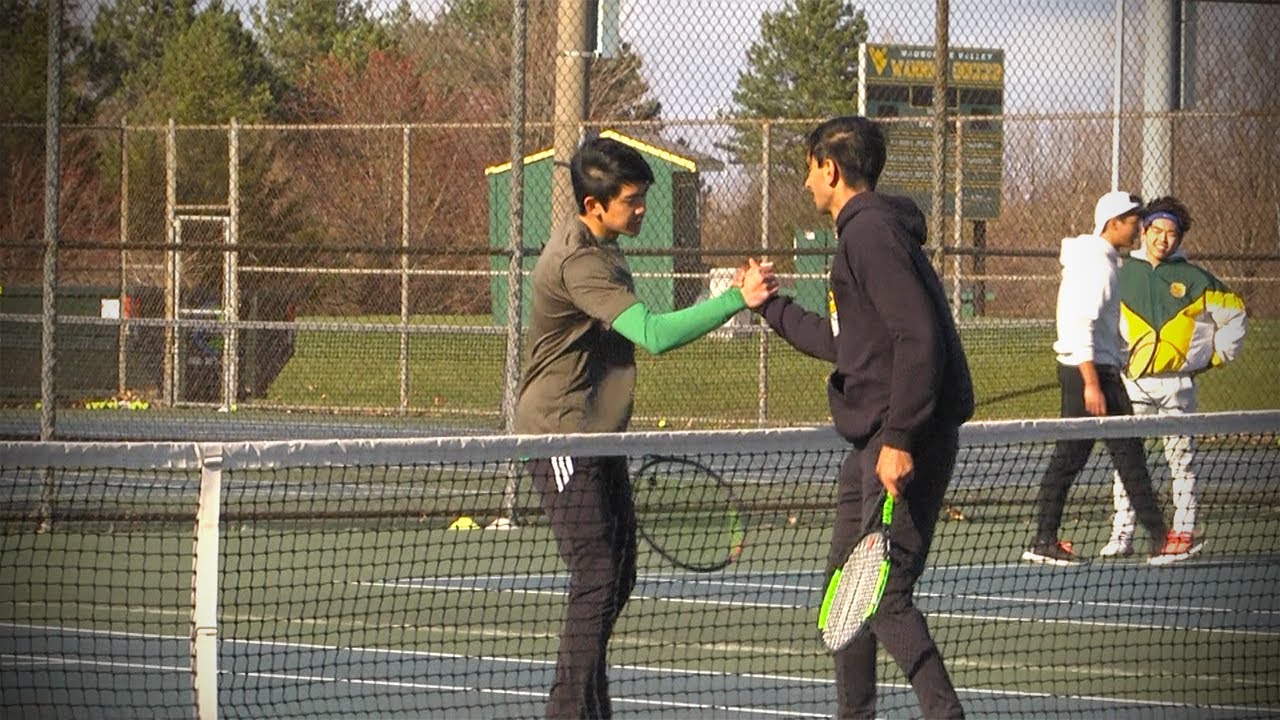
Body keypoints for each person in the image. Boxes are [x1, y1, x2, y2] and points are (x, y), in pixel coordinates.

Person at [513, 135, 777, 719]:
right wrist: (737, 298)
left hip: (600, 432)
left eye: (642, 197)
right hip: (559, 432)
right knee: (598, 572)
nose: (641, 209)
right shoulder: (580, 261)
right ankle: (567, 713)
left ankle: (589, 709)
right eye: (631, 200)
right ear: (592, 206)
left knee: (619, 572)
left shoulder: (605, 245)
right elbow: (654, 334)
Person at [754, 116, 971, 719]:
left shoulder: (870, 234)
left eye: (808, 169)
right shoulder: (864, 234)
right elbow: (847, 343)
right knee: (844, 600)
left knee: (885, 599)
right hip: (871, 444)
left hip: (897, 440)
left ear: (831, 168)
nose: (804, 184)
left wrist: (899, 438)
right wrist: (769, 306)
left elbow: (920, 337)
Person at [1022, 191, 1173, 566]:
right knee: (1112, 454)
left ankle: (1157, 538)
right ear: (1113, 223)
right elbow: (1079, 324)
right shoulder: (1097, 265)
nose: (1139, 227)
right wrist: (1091, 382)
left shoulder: (1103, 262)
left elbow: (1097, 324)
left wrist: (1117, 354)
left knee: (1111, 454)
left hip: (1097, 370)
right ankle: (1159, 539)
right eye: (1133, 220)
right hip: (1087, 374)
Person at [1098, 196, 1247, 560]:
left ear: (1180, 239)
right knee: (1128, 462)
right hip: (1132, 382)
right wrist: (1115, 359)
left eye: (1172, 234)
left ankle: (1183, 531)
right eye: (1157, 231)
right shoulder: (1120, 273)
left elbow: (1235, 316)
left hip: (1178, 385)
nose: (1164, 240)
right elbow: (1104, 320)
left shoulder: (1196, 279)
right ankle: (1122, 533)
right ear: (1144, 231)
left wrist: (1214, 356)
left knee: (1181, 460)